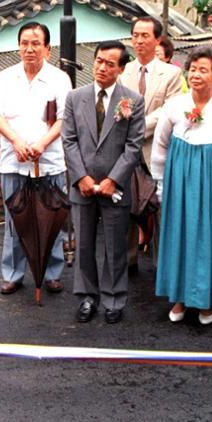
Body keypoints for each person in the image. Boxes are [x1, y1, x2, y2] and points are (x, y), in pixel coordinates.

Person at [151, 45, 212, 325]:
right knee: (179, 234)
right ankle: (180, 298)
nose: (195, 75)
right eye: (193, 69)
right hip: (179, 183)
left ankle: (207, 300)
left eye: (203, 70)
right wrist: (159, 182)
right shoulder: (174, 106)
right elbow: (160, 146)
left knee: (209, 237)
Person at [0, 21, 72, 295]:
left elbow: (64, 118)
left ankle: (52, 272)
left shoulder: (59, 79)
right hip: (14, 159)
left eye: (35, 43)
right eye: (24, 43)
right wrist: (17, 141)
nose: (29, 49)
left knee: (52, 216)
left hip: (50, 160)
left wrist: (43, 143)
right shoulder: (5, 77)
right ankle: (13, 273)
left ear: (47, 48)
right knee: (15, 219)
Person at [62, 41, 145, 324]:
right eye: (99, 61)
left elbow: (133, 146)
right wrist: (81, 176)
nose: (101, 67)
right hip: (82, 184)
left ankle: (113, 298)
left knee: (115, 245)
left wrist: (113, 179)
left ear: (121, 68)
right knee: (83, 244)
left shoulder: (132, 100)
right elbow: (69, 140)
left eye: (110, 63)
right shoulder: (75, 97)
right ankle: (87, 297)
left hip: (115, 187)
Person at [120, 16, 184, 270]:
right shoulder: (122, 71)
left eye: (145, 35)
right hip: (125, 150)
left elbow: (169, 111)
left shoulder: (172, 73)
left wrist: (136, 126)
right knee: (125, 206)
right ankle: (127, 262)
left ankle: (163, 267)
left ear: (157, 39)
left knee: (159, 208)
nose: (139, 40)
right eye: (135, 35)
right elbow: (117, 106)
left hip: (156, 149)